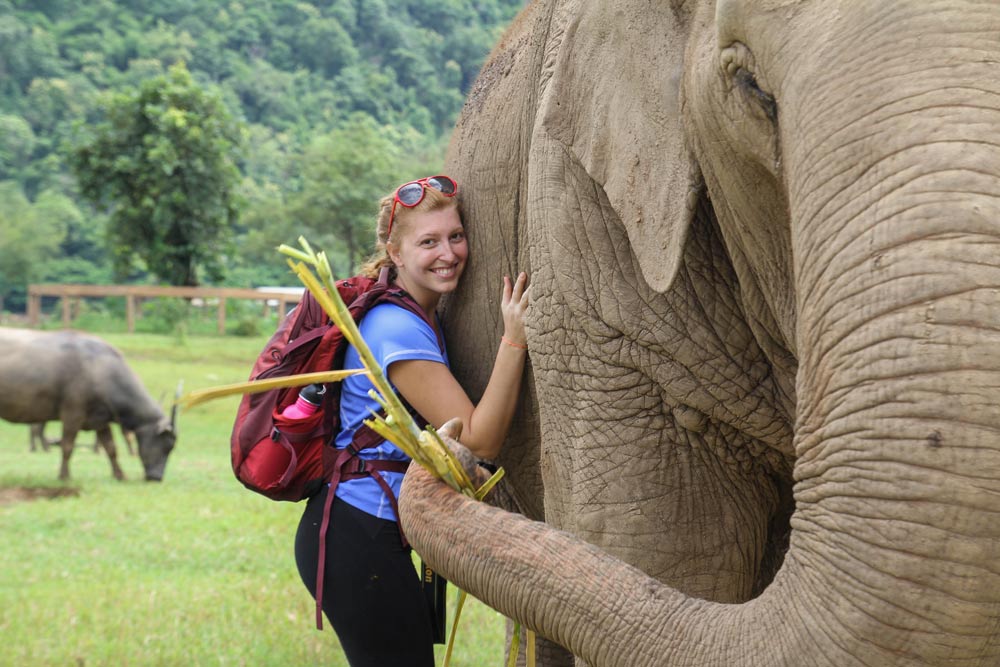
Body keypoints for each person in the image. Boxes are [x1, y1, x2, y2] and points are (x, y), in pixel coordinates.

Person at [294, 175, 529, 666]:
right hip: (358, 536)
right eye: (429, 242)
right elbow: (481, 440)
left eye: (456, 236)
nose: (448, 253)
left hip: (368, 531)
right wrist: (515, 339)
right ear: (395, 253)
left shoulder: (414, 313)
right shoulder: (398, 330)